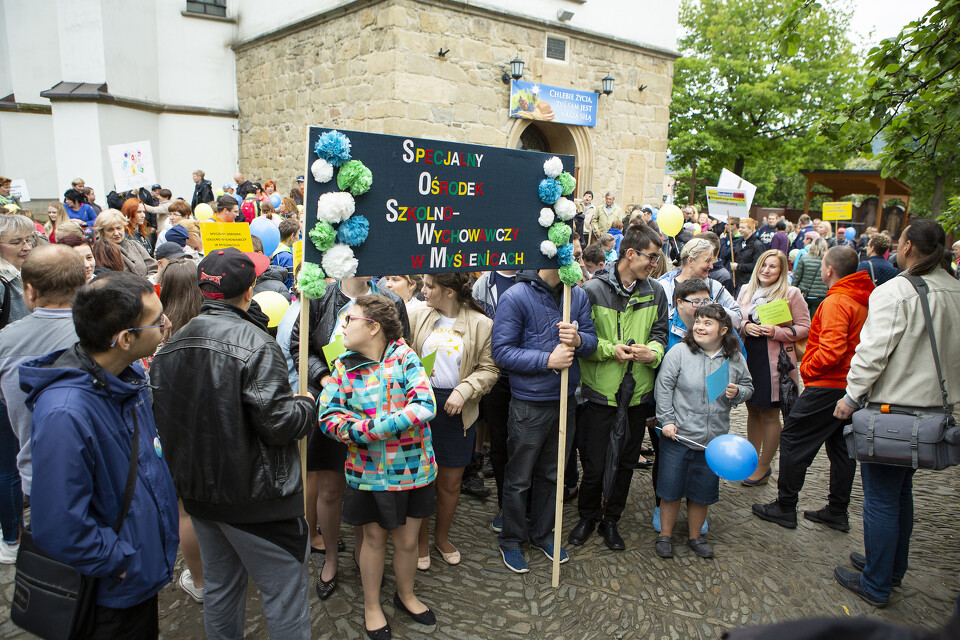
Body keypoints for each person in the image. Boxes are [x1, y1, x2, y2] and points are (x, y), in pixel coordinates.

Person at [150, 248, 316, 638]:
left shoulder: (169, 346)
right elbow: (279, 424)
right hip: (258, 501)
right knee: (285, 598)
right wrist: (307, 405)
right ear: (249, 291)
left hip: (202, 495)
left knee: (221, 591)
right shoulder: (256, 344)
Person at [22, 272, 179, 636]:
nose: (167, 324)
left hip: (138, 573)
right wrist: (119, 562)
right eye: (157, 321)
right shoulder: (66, 413)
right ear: (125, 339)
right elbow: (59, 524)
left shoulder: (125, 379)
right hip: (109, 593)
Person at [830, 219, 960, 607]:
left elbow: (872, 354)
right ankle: (889, 567)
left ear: (905, 247)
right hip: (934, 410)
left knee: (882, 498)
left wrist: (850, 397)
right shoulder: (955, 288)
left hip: (894, 410)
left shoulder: (897, 291)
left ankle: (876, 581)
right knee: (901, 493)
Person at [318, 294, 438, 639]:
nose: (342, 326)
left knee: (407, 541)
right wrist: (362, 429)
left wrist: (368, 429)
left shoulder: (405, 357)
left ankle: (406, 595)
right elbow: (328, 417)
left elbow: (425, 405)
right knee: (372, 539)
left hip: (413, 469)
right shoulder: (343, 367)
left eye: (349, 319)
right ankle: (372, 605)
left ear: (373, 327)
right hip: (367, 473)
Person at [290, 275, 409, 600]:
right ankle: (330, 559)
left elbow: (401, 348)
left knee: (364, 488)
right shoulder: (319, 297)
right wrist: (325, 378)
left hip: (373, 413)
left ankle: (363, 555)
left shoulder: (390, 300)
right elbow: (300, 346)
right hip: (334, 406)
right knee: (329, 489)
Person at [491, 249, 598, 573]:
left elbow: (592, 341)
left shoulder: (577, 295)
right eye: (570, 254)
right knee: (519, 477)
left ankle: (542, 533)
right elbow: (501, 352)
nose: (576, 260)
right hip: (529, 403)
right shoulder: (516, 296)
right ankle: (511, 539)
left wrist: (579, 340)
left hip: (566, 400)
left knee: (554, 474)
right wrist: (547, 360)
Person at [753, 246, 873, 532]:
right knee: (841, 448)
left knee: (793, 438)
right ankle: (837, 510)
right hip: (849, 385)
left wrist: (806, 368)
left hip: (829, 385)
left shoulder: (837, 301)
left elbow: (831, 351)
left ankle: (785, 506)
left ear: (828, 270)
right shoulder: (859, 297)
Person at [569, 223, 666, 551]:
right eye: (651, 257)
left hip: (637, 394)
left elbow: (661, 335)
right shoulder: (591, 290)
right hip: (599, 392)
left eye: (656, 258)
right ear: (631, 254)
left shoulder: (656, 292)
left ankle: (611, 520)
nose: (654, 264)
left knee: (626, 463)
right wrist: (612, 350)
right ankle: (587, 516)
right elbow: (582, 341)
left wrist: (653, 353)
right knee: (594, 462)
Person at [0, 245, 85, 565]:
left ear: (30, 292)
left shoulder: (6, 340)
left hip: (39, 473)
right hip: (99, 468)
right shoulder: (103, 332)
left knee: (58, 570)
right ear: (82, 285)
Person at [409, 274, 498, 569]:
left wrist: (465, 390)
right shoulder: (416, 315)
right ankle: (420, 541)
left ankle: (441, 537)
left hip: (458, 409)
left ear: (448, 292)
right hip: (421, 405)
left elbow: (489, 369)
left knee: (450, 481)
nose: (423, 290)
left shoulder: (481, 323)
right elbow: (400, 354)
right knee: (422, 480)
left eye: (429, 286)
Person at [654, 304, 753, 559]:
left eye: (707, 323)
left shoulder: (734, 357)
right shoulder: (679, 352)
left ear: (723, 330)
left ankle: (695, 538)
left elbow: (748, 386)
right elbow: (663, 387)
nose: (699, 326)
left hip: (713, 443)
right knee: (670, 491)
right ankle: (665, 535)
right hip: (678, 436)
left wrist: (738, 392)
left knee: (702, 493)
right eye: (697, 321)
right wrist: (667, 421)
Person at [736, 250, 810, 485]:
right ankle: (750, 461)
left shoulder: (791, 293)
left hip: (775, 363)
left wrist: (777, 331)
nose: (767, 270)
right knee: (752, 410)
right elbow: (736, 318)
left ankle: (764, 466)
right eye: (764, 265)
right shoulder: (746, 290)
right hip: (749, 358)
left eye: (773, 266)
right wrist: (746, 326)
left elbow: (805, 327)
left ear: (781, 271)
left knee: (769, 414)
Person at [471, 267, 521, 531]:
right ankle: (505, 504)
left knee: (526, 444)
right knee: (500, 443)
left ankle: (527, 506)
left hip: (527, 375)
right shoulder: (483, 283)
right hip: (496, 375)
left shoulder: (531, 277)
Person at [658, 237, 742, 325]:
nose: (711, 266)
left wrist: (714, 308)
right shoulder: (664, 288)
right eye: (707, 261)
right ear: (690, 261)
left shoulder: (714, 287)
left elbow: (737, 318)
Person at [94, 210, 158, 278]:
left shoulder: (134, 245)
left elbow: (154, 267)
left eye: (119, 228)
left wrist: (147, 281)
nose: (116, 233)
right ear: (102, 232)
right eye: (110, 230)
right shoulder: (101, 252)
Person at [794, 238, 830, 316]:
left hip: (804, 293)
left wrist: (793, 289)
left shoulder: (804, 258)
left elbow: (797, 276)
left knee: (802, 317)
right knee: (815, 318)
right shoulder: (828, 260)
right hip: (820, 295)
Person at [730, 218, 765, 295]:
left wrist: (738, 266)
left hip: (749, 283)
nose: (740, 229)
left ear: (751, 230)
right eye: (740, 227)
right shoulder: (740, 242)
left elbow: (757, 265)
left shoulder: (758, 245)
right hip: (738, 281)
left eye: (743, 228)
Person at [271, 218, 298, 289]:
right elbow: (290, 283)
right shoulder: (288, 257)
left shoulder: (273, 251)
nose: (298, 238)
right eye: (298, 235)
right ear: (292, 236)